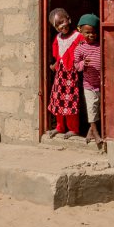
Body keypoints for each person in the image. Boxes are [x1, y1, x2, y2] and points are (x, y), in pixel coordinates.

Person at [46, 7, 82, 138]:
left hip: (72, 75)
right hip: (60, 75)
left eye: (62, 22)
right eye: (57, 25)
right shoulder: (58, 38)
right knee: (58, 100)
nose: (61, 26)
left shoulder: (78, 36)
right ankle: (60, 127)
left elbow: (84, 51)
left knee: (70, 100)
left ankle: (73, 128)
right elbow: (57, 55)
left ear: (69, 19)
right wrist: (54, 64)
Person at [73, 13, 102, 145]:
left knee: (99, 108)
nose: (91, 35)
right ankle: (96, 132)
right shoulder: (80, 48)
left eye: (94, 32)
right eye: (87, 32)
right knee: (91, 108)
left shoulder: (101, 46)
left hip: (101, 84)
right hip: (89, 84)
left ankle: (91, 130)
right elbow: (76, 65)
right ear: (81, 31)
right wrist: (83, 64)